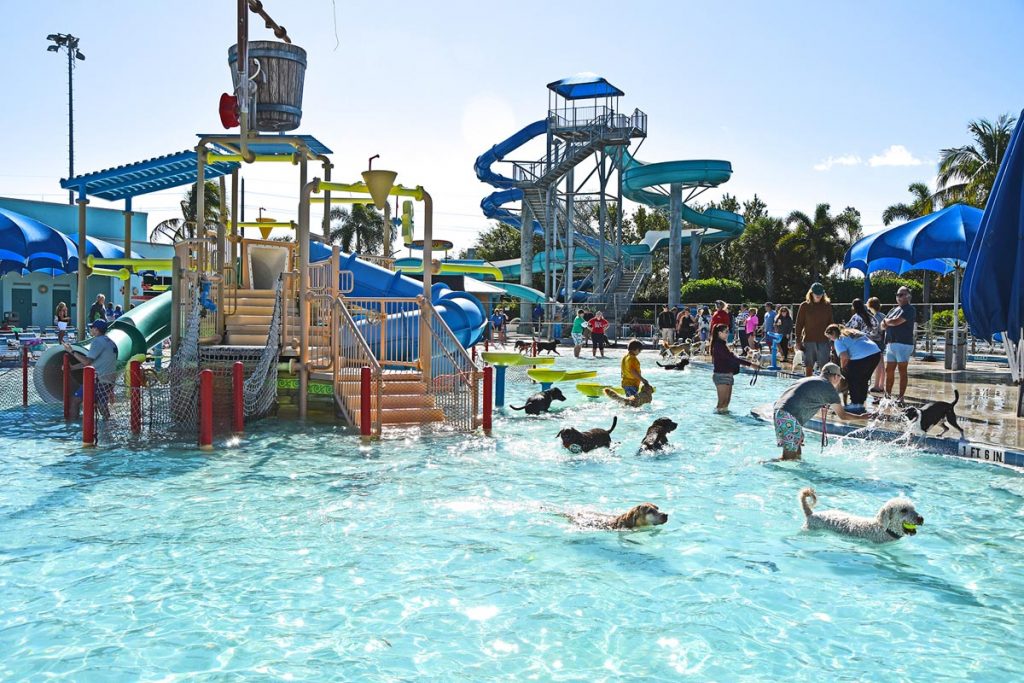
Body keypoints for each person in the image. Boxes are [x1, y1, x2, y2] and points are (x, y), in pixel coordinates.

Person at [772, 363, 867, 460]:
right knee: (789, 458)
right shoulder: (829, 389)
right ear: (835, 376)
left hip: (780, 411)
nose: (839, 381)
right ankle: (765, 463)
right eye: (839, 378)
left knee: (797, 455)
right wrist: (861, 418)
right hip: (789, 416)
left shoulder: (807, 379)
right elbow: (843, 416)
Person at [64, 319, 118, 420]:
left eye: (92, 328)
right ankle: (108, 425)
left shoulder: (97, 341)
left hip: (97, 379)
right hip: (109, 379)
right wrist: (73, 367)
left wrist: (72, 351)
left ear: (96, 330)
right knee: (102, 405)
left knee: (75, 401)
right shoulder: (110, 342)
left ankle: (71, 427)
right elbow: (94, 362)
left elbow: (87, 362)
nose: (90, 329)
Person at [825, 324, 882, 412]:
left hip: (862, 357)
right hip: (875, 353)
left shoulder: (838, 340)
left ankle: (855, 404)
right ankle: (860, 403)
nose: (830, 340)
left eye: (829, 337)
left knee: (852, 379)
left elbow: (844, 357)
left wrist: (842, 370)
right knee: (863, 379)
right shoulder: (853, 332)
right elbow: (868, 339)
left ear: (832, 334)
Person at [881, 286, 916, 402]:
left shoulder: (909, 309)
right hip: (891, 343)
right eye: (897, 295)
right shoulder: (893, 310)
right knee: (888, 370)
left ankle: (901, 397)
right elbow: (882, 324)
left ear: (908, 296)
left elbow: (896, 322)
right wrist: (887, 322)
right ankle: (887, 396)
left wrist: (888, 322)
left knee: (902, 371)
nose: (899, 297)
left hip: (903, 344)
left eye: (901, 294)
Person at [710, 323, 754, 413]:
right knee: (721, 403)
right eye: (726, 332)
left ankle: (724, 423)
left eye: (728, 331)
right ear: (719, 333)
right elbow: (732, 358)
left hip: (728, 375)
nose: (727, 334)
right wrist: (750, 364)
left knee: (726, 403)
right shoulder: (718, 345)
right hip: (721, 375)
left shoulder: (723, 344)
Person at [794, 282, 834, 377]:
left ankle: (823, 389)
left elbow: (831, 324)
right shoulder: (804, 306)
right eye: (816, 294)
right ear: (811, 293)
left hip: (824, 341)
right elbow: (799, 324)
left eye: (820, 294)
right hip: (808, 341)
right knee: (808, 366)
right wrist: (798, 341)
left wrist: (833, 341)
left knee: (824, 368)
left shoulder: (827, 305)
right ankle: (809, 387)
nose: (818, 296)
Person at [866, 296, 887, 394]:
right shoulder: (883, 315)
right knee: (882, 364)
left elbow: (874, 332)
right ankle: (881, 385)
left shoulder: (874, 317)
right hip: (882, 341)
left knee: (878, 365)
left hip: (876, 341)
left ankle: (877, 385)